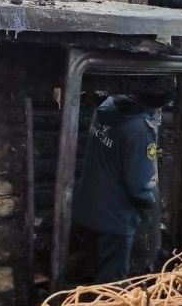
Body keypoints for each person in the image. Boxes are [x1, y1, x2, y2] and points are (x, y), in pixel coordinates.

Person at [72, 91, 168, 283]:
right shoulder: (140, 128)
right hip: (116, 218)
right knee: (112, 284)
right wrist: (152, 204)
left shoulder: (106, 109)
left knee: (90, 274)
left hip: (88, 208)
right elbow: (140, 185)